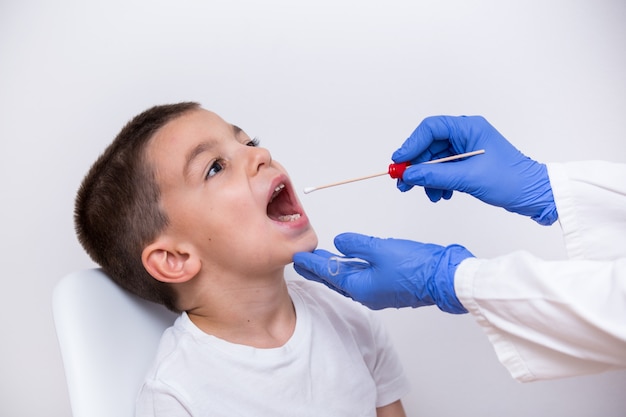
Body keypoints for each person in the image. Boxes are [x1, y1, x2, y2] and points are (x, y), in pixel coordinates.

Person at [74, 102, 409, 416]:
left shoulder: (347, 317)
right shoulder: (176, 397)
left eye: (249, 143)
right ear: (174, 258)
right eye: (215, 168)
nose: (261, 154)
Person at [293, 115, 626, 383]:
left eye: (254, 143)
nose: (261, 154)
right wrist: (548, 187)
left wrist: (448, 278)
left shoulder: (349, 326)